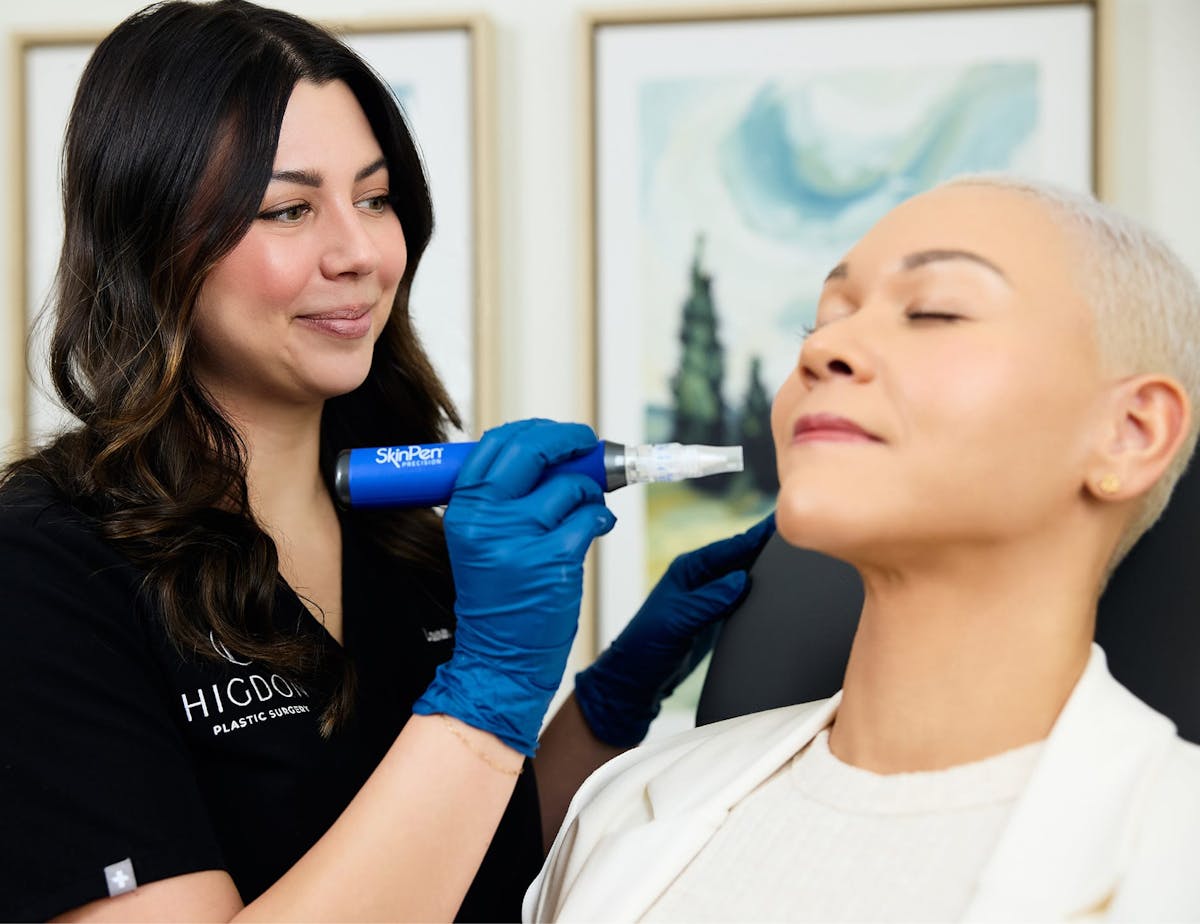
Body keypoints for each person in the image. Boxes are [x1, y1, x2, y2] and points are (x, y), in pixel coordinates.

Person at [0, 2, 774, 921]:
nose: (364, 252)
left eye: (374, 198)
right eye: (289, 209)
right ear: (153, 244)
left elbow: (471, 857)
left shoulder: (407, 543)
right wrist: (489, 690)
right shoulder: (44, 573)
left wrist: (606, 708)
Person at [525, 176, 1200, 922]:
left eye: (934, 311)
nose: (827, 350)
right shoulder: (621, 816)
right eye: (818, 325)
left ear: (1129, 432)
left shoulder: (1178, 856)